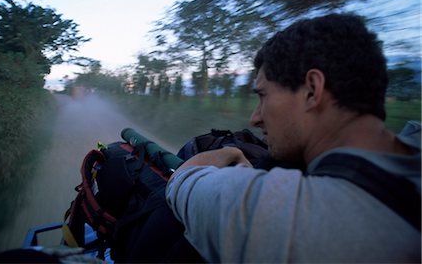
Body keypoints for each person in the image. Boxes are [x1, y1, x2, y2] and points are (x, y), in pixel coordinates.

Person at [165, 13, 421, 263]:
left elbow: (181, 179)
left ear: (312, 90)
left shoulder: (290, 214)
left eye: (263, 95)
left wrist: (229, 154)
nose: (255, 118)